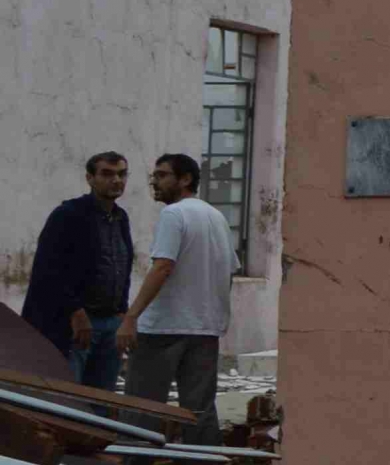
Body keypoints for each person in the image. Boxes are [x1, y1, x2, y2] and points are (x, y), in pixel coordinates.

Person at [118, 153, 233, 444]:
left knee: (142, 409)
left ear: (185, 179)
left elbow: (163, 266)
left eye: (162, 175)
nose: (155, 182)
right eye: (154, 176)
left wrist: (131, 317)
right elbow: (228, 271)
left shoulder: (174, 214)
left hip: (163, 329)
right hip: (205, 329)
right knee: (200, 411)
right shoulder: (216, 216)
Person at [16, 151, 136, 388]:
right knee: (68, 396)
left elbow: (121, 265)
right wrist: (76, 312)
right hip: (74, 325)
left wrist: (122, 312)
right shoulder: (68, 215)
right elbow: (49, 270)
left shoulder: (120, 217)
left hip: (109, 323)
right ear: (90, 178)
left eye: (122, 174)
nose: (116, 180)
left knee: (101, 399)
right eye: (107, 174)